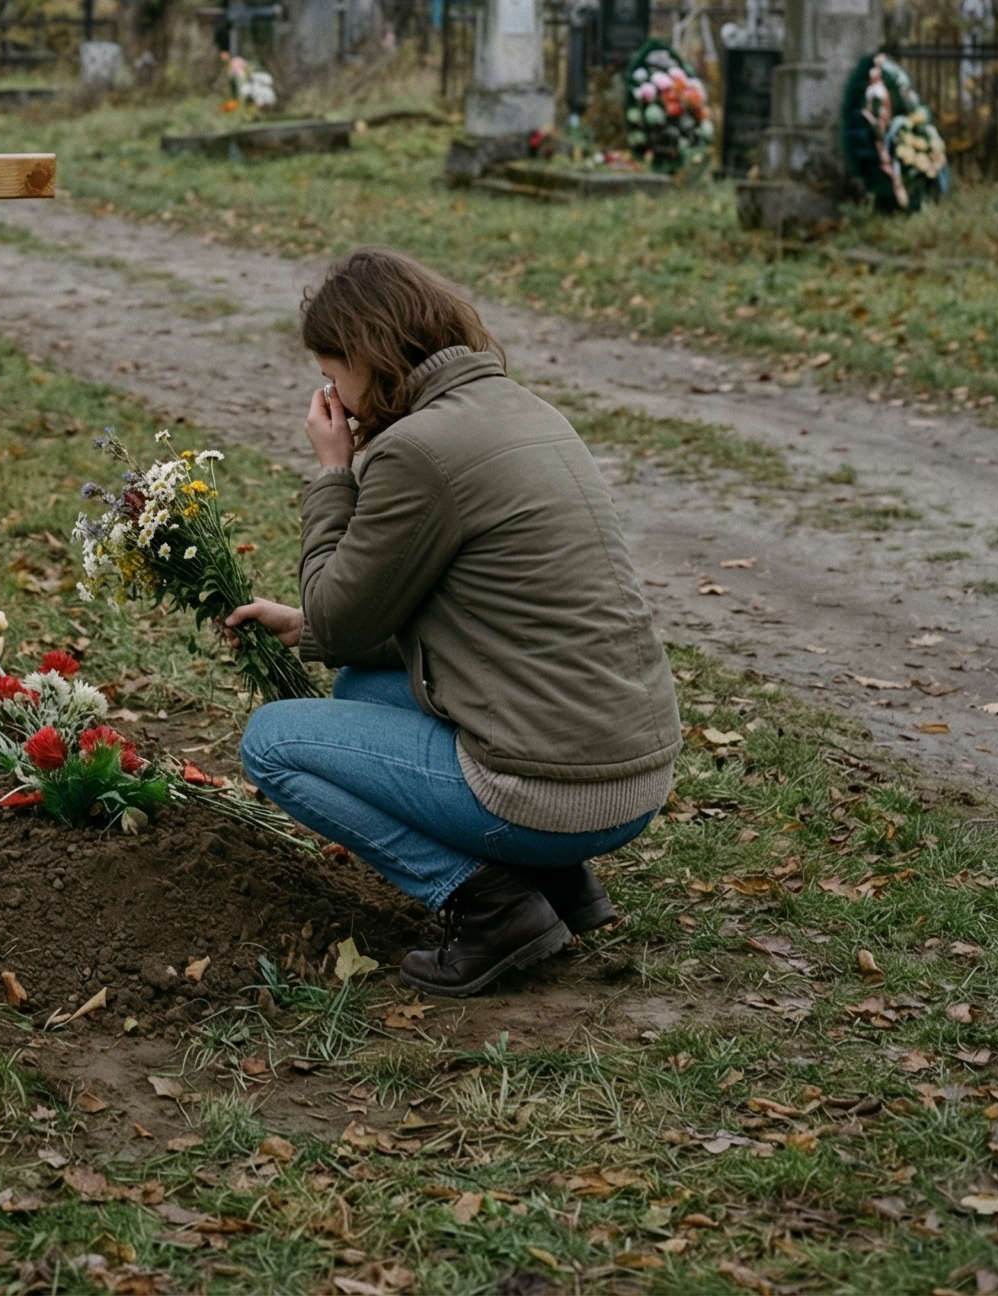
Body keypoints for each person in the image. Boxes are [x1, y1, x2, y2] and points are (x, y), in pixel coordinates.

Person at [230, 248, 680, 998]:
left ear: (369, 356)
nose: (332, 395)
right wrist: (307, 627)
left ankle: (495, 905)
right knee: (362, 689)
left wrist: (334, 474)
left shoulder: (417, 450)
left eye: (333, 372)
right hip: (631, 771)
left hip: (553, 793)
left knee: (272, 744)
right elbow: (457, 617)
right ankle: (560, 881)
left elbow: (341, 619)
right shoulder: (522, 408)